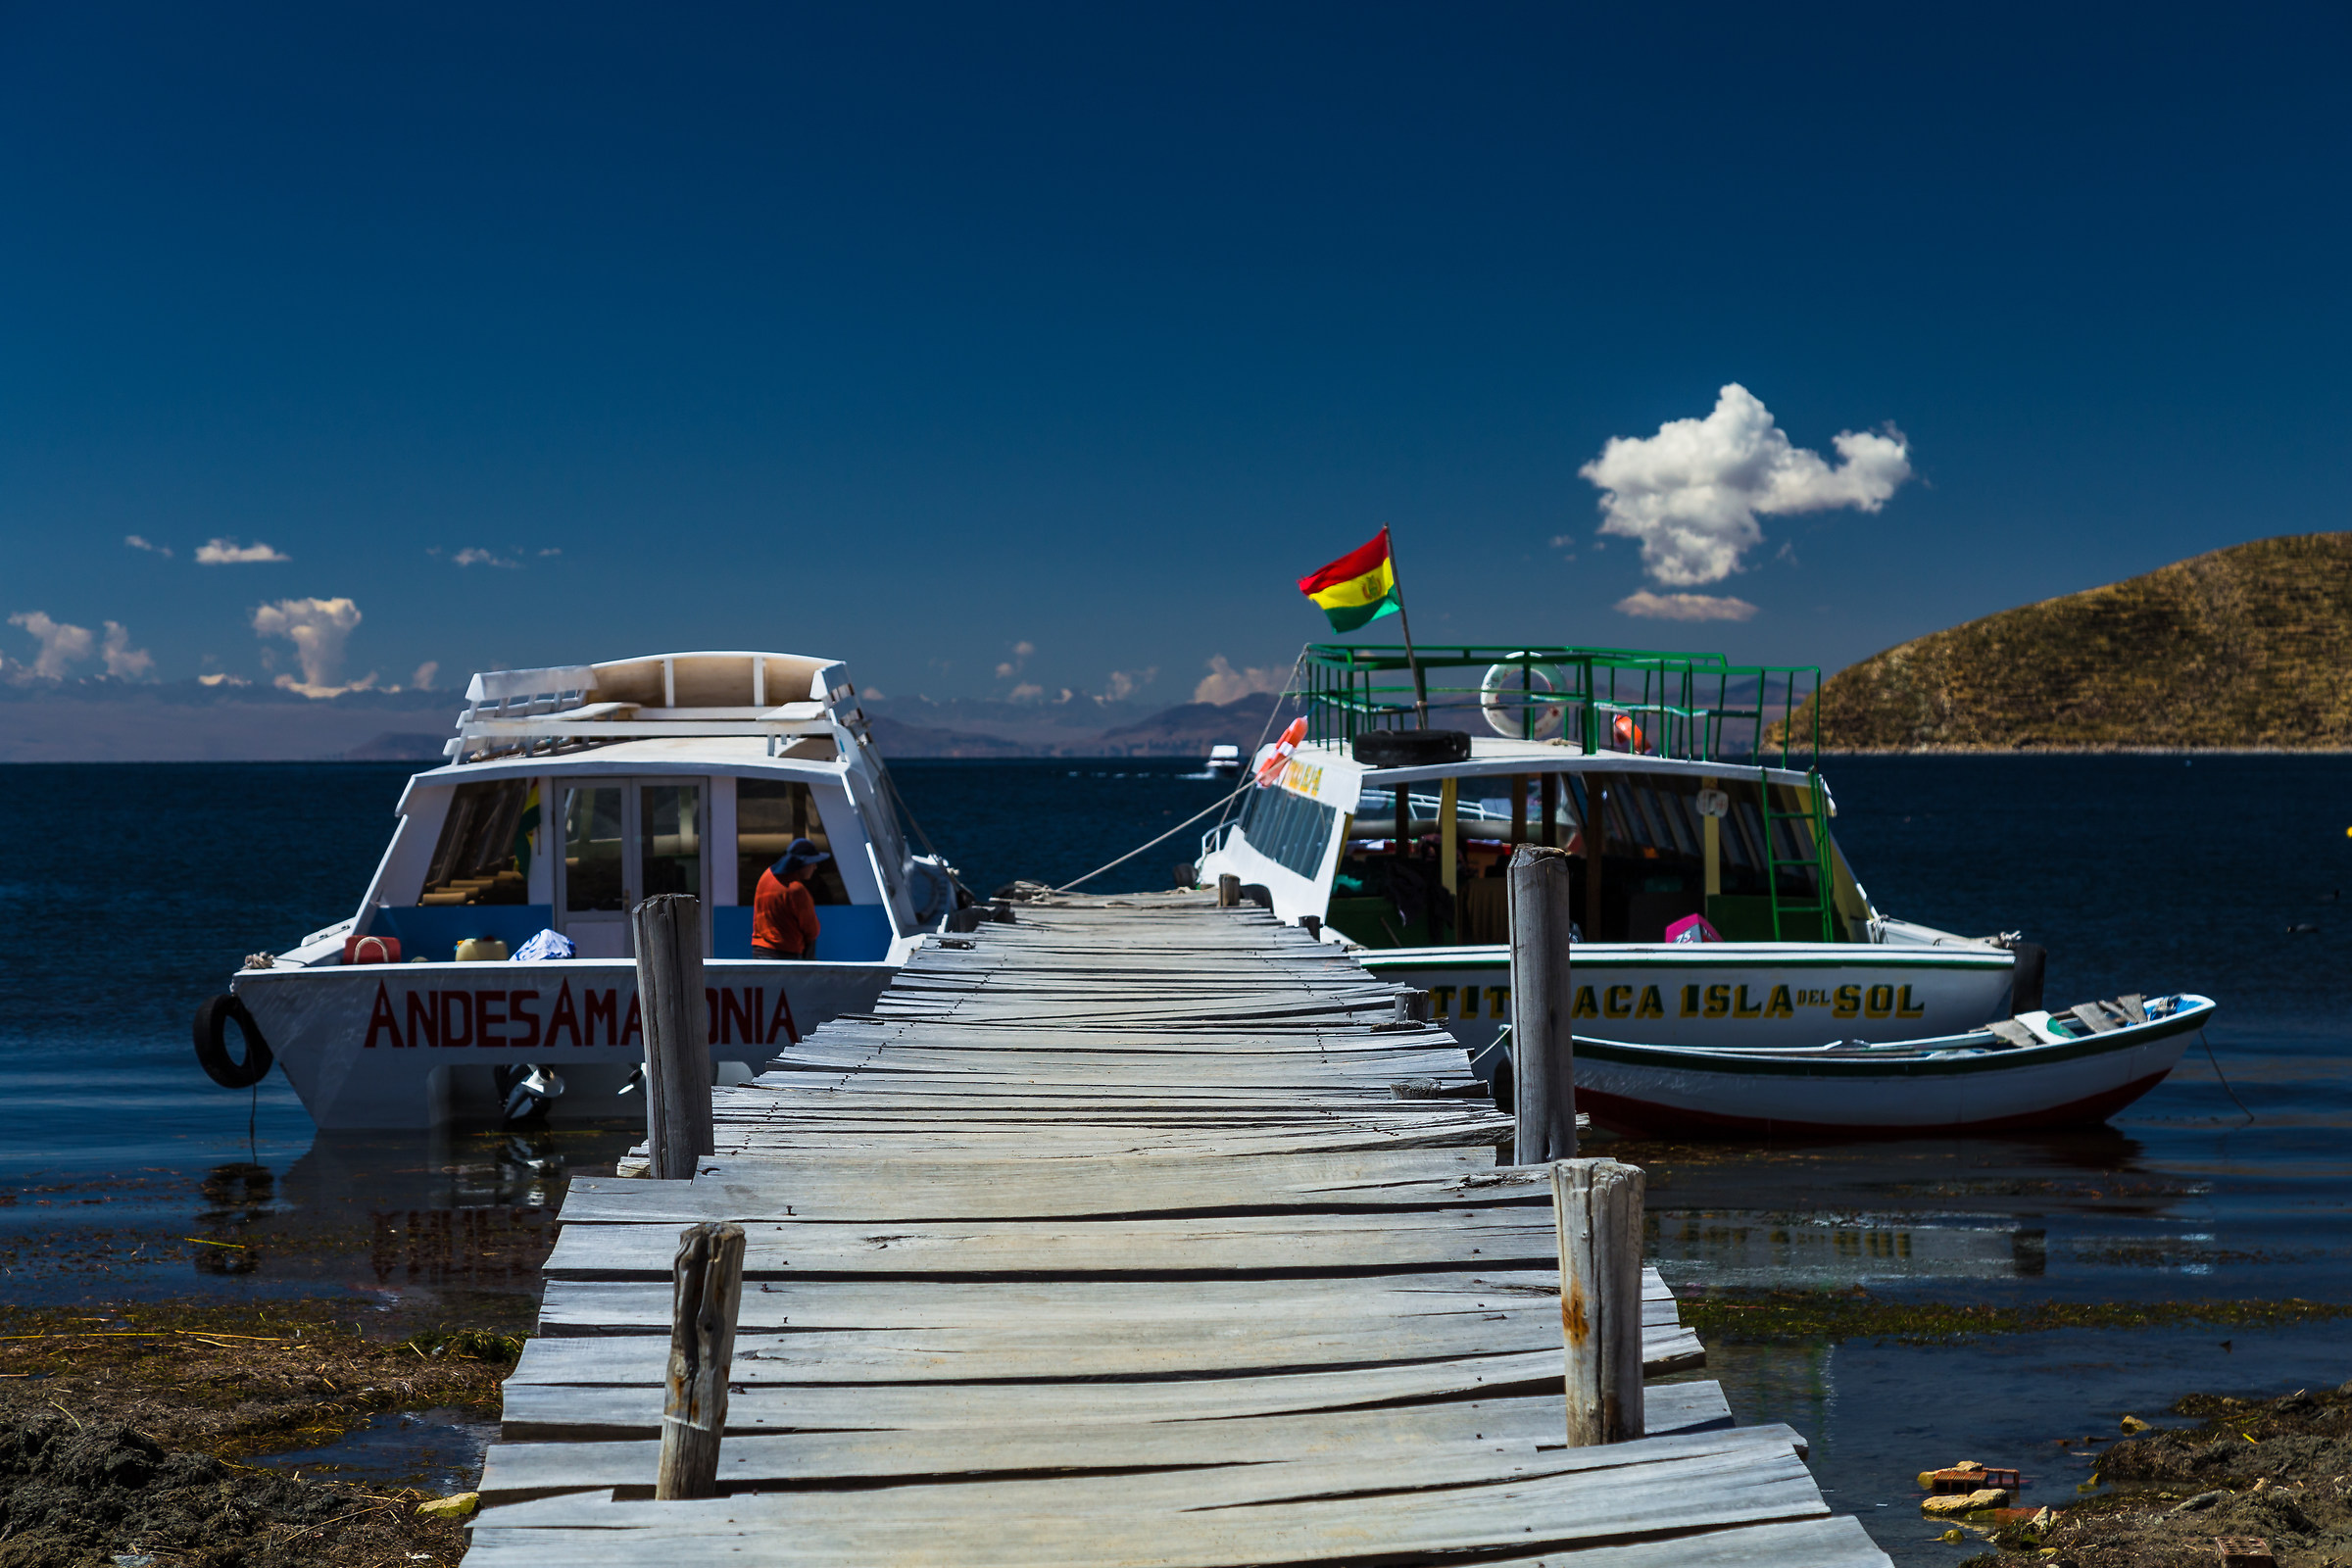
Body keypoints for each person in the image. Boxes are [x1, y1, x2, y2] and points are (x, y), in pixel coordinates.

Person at [753, 838, 828, 959]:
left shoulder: (766, 876)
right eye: (813, 862)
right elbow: (812, 930)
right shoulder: (796, 890)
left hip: (759, 953)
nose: (815, 867)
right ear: (802, 864)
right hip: (785, 955)